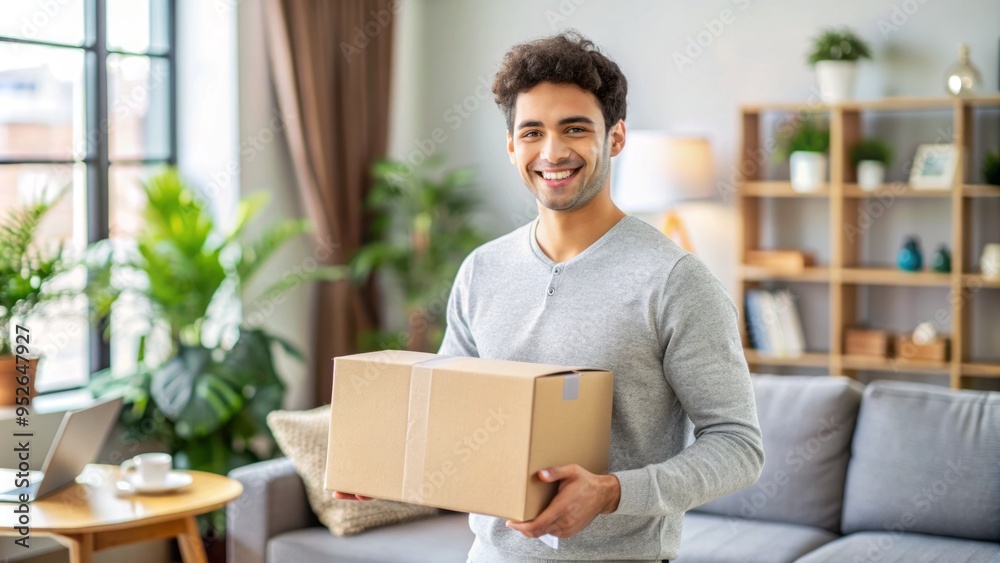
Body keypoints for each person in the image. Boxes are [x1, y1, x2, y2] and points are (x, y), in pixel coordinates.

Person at [335, 30, 764, 563]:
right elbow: (450, 414)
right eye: (532, 131)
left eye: (575, 129)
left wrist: (611, 493)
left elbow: (738, 447)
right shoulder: (481, 271)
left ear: (616, 137)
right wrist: (387, 465)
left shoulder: (676, 281)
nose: (552, 152)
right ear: (512, 145)